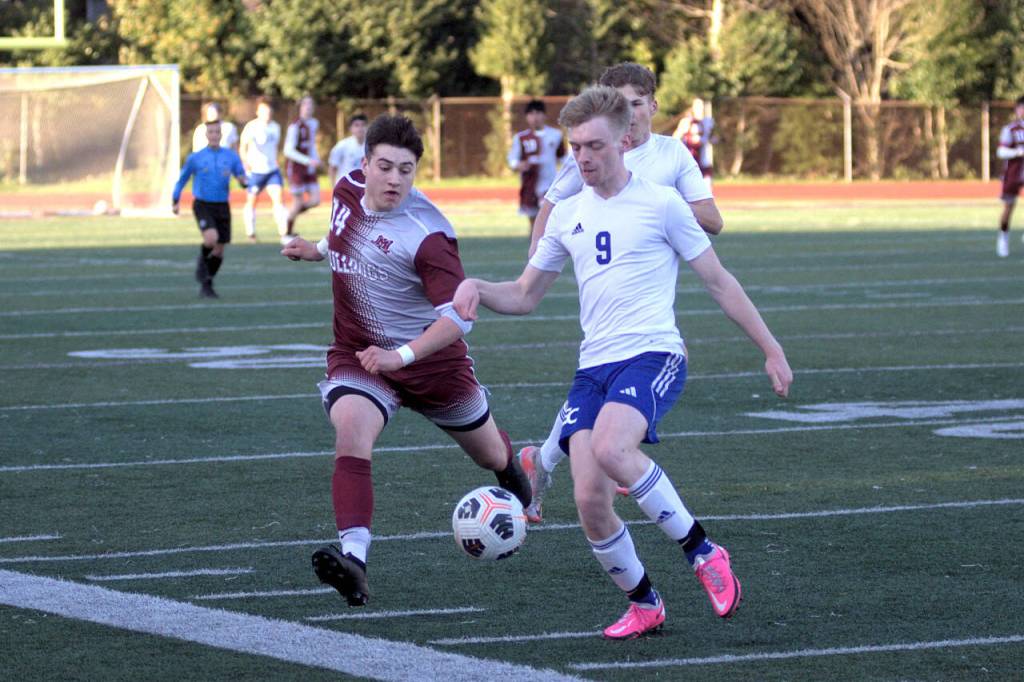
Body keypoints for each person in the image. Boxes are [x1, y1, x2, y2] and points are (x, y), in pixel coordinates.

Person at [454, 86, 792, 640]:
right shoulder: (567, 215)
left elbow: (719, 281)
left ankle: (703, 550)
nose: (583, 157)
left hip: (653, 353)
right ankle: (645, 603)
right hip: (595, 368)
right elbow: (524, 294)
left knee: (613, 449)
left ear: (625, 140)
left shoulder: (662, 203)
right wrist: (476, 288)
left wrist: (770, 348)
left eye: (594, 145)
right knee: (589, 500)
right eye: (575, 147)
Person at [280, 114, 531, 607]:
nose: (395, 179)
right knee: (351, 431)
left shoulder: (430, 235)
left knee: (489, 455)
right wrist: (315, 251)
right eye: (386, 167)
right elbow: (340, 235)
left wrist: (403, 355)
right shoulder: (346, 189)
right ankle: (354, 561)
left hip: (434, 366)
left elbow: (459, 320)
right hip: (362, 357)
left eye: (406, 170)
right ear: (365, 164)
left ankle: (514, 474)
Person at [520, 63, 725, 523]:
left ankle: (554, 459)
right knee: (610, 372)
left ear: (652, 104)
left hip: (653, 276)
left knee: (647, 362)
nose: (627, 113)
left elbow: (713, 219)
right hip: (610, 282)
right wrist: (535, 265)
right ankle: (575, 458)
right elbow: (551, 206)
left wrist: (655, 204)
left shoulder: (671, 156)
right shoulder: (597, 149)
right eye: (617, 103)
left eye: (634, 102)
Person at [172, 120, 247, 299]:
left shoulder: (231, 156)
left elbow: (241, 175)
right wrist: (175, 200)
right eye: (211, 132)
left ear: (221, 135)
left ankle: (207, 283)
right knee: (211, 239)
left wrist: (245, 181)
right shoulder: (195, 158)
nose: (214, 135)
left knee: (220, 249)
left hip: (222, 205)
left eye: (217, 132)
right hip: (203, 204)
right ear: (206, 135)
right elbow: (181, 180)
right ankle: (201, 262)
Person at [508, 99, 566, 233]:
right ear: (527, 117)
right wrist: (520, 165)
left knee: (550, 221)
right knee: (533, 223)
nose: (535, 117)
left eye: (538, 113)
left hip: (550, 183)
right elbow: (512, 160)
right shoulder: (521, 138)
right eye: (531, 113)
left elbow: (563, 158)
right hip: (531, 184)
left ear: (544, 115)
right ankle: (534, 251)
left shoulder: (555, 135)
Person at [239, 97, 289, 243]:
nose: (266, 113)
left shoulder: (276, 127)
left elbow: (275, 147)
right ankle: (251, 234)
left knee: (279, 199)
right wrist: (245, 162)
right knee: (252, 202)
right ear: (258, 112)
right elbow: (242, 146)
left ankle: (284, 233)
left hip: (272, 170)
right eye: (263, 110)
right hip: (256, 171)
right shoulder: (251, 127)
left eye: (268, 110)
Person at [283, 95, 322, 244]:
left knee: (315, 200)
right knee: (298, 202)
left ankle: (289, 216)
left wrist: (315, 160)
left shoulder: (314, 123)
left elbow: (311, 145)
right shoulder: (295, 126)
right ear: (300, 107)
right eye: (305, 104)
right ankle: (287, 232)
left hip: (308, 168)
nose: (308, 107)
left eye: (311, 104)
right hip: (296, 168)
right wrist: (307, 161)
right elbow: (288, 151)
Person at [996, 96, 1024, 258]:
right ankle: (1003, 238)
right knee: (1008, 207)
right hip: (1013, 173)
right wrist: (1018, 152)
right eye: (1021, 108)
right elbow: (1001, 152)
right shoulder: (1010, 129)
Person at [673, 98, 715, 188]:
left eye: (702, 106)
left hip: (704, 158)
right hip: (690, 158)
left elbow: (713, 138)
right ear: (693, 108)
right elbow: (676, 137)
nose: (701, 109)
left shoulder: (708, 122)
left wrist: (711, 140)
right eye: (698, 106)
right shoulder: (687, 121)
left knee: (707, 187)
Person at [328, 113, 368, 187]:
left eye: (363, 125)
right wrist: (333, 187)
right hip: (345, 188)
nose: (360, 128)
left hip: (364, 187)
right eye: (356, 125)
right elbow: (332, 167)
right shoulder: (342, 145)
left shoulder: (371, 146)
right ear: (350, 128)